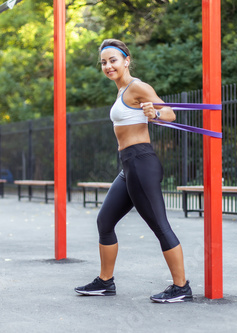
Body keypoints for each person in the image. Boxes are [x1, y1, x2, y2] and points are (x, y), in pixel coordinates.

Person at [74, 39, 192, 303]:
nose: (108, 66)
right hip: (129, 166)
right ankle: (105, 282)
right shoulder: (121, 91)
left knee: (160, 226)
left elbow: (169, 113)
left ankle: (181, 287)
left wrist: (156, 114)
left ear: (126, 60)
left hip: (141, 162)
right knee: (105, 222)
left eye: (113, 60)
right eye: (104, 62)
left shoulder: (137, 86)